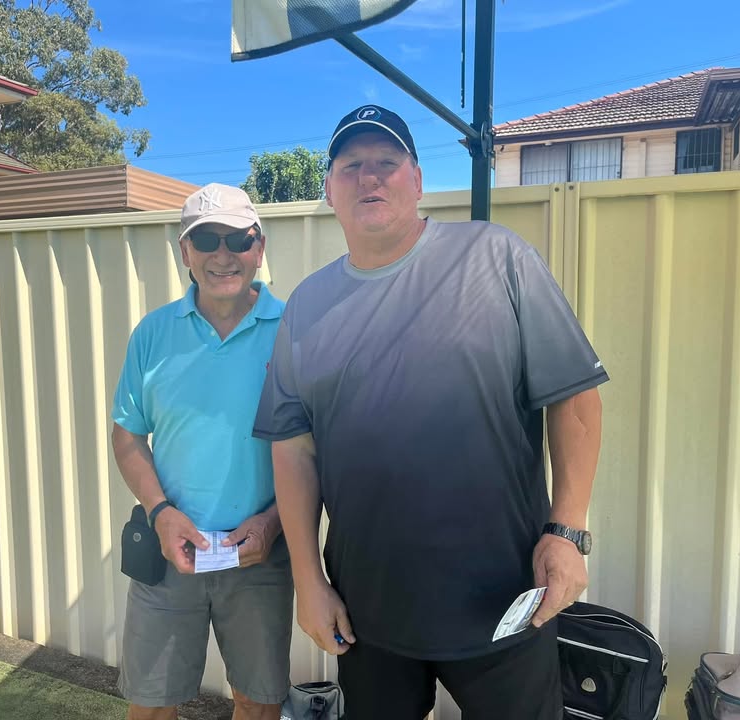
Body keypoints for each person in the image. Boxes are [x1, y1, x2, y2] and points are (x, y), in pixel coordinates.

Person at [253, 105, 608, 720]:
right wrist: (308, 582)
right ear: (330, 190)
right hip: (370, 613)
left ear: (417, 180)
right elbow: (294, 448)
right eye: (352, 166)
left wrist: (567, 529)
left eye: (387, 164)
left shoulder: (498, 258)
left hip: (504, 602)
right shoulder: (306, 307)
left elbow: (574, 397)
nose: (370, 178)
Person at [112, 183, 293, 720]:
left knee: (258, 705)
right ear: (184, 250)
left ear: (259, 248)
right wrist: (162, 515)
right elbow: (127, 438)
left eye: (237, 238)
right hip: (169, 554)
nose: (223, 254)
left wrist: (273, 523)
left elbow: (319, 454)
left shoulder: (296, 331)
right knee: (149, 706)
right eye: (206, 239)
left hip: (259, 554)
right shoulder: (152, 333)